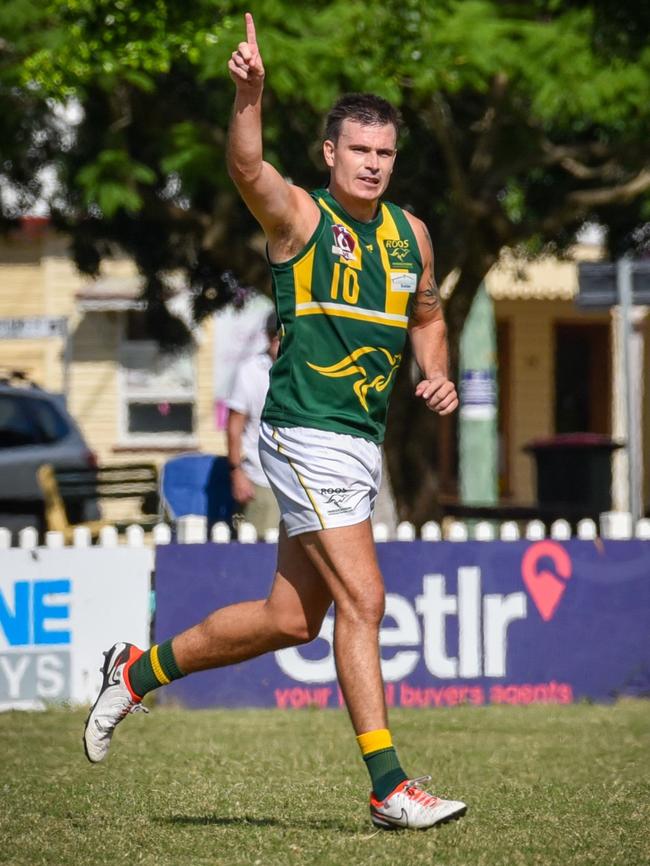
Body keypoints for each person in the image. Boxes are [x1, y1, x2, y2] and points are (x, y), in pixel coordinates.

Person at [83, 13, 466, 831]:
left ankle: (133, 673)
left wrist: (434, 373)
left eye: (384, 152)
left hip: (356, 444)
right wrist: (248, 95)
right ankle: (388, 786)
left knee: (292, 619)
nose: (372, 164)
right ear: (330, 155)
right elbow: (245, 164)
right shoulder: (301, 218)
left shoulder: (412, 237)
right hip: (303, 433)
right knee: (366, 601)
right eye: (358, 149)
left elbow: (429, 315)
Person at [227, 310, 281, 536]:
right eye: (274, 336)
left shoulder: (306, 370)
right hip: (261, 477)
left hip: (301, 477)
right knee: (263, 551)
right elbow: (234, 427)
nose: (277, 342)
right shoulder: (250, 371)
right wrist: (236, 471)